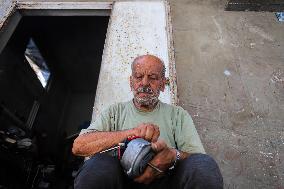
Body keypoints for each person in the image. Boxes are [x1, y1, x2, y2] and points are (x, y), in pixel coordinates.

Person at [72, 55, 223, 189]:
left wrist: (172, 155)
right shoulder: (114, 112)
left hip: (166, 180)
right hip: (122, 181)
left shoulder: (178, 115)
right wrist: (132, 133)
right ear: (131, 82)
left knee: (204, 165)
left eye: (153, 77)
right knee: (98, 165)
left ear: (163, 84)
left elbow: (196, 159)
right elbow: (79, 146)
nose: (144, 83)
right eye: (138, 76)